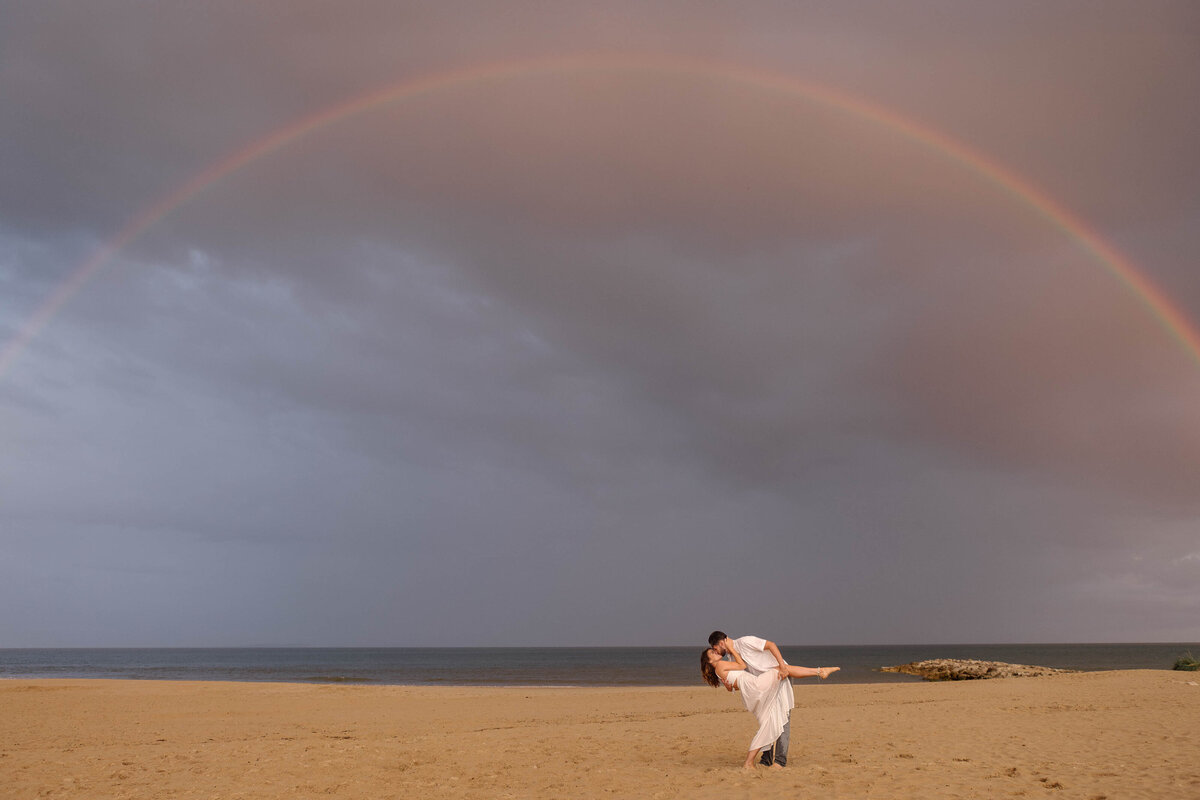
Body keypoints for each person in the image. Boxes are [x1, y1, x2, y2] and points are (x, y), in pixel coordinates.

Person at [702, 631, 838, 769]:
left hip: (777, 677)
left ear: (720, 643)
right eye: (713, 652)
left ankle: (779, 761)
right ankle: (765, 760)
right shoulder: (729, 659)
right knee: (768, 722)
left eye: (714, 649)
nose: (716, 651)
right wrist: (730, 686)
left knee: (781, 718)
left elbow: (771, 645)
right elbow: (738, 677)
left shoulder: (745, 642)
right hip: (761, 686)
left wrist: (783, 667)